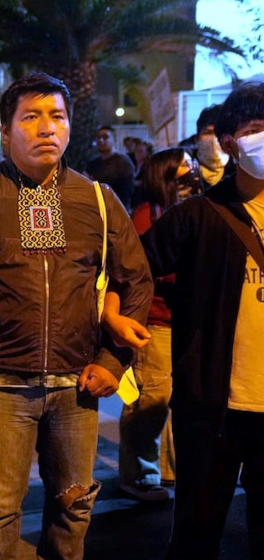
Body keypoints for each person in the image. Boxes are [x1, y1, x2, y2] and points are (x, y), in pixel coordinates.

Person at [0, 72, 153, 559]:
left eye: (57, 116)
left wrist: (114, 363)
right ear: (5, 132)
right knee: (0, 510)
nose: (47, 127)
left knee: (74, 509)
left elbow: (135, 280)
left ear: (70, 127)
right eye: (31, 117)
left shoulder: (98, 199)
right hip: (0, 383)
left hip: (79, 384)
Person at [139, 82, 264, 559]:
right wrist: (114, 314)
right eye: (255, 130)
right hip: (213, 408)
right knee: (197, 530)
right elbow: (134, 267)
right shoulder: (197, 216)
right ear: (229, 142)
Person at [108, 148, 201, 502]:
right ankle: (139, 474)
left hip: (183, 321)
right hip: (155, 322)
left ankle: (166, 470)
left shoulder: (187, 211)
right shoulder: (147, 217)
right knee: (151, 400)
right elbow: (138, 270)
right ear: (164, 176)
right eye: (184, 169)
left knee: (175, 399)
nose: (193, 173)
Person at [85, 125, 137, 211]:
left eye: (105, 137)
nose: (101, 140)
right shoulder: (93, 164)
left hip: (117, 210)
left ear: (114, 140)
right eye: (99, 137)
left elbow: (128, 191)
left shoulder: (123, 162)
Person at [192, 104, 232, 188]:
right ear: (197, 138)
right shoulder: (185, 171)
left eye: (219, 133)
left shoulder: (239, 174)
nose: (213, 139)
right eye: (207, 133)